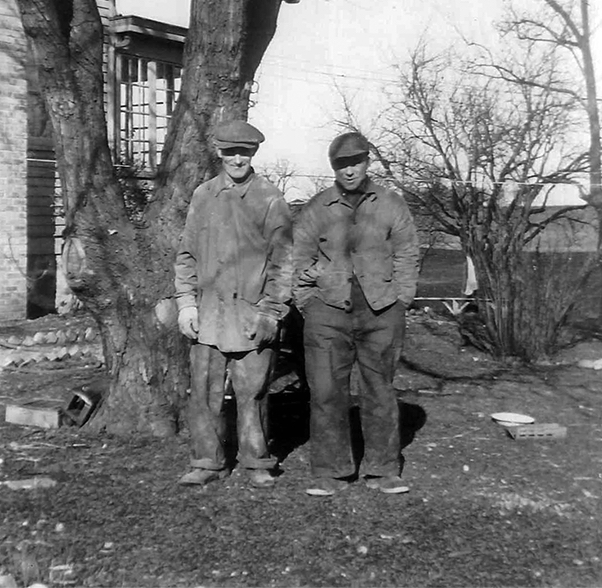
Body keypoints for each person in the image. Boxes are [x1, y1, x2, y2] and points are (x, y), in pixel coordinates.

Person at [292, 131, 420, 496]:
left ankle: (383, 470)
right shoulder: (317, 208)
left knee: (379, 390)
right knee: (327, 392)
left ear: (368, 162)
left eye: (356, 162)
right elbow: (297, 257)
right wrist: (308, 302)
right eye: (341, 164)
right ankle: (331, 472)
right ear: (333, 167)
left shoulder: (391, 204)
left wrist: (401, 300)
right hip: (328, 313)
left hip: (381, 312)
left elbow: (408, 253)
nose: (349, 170)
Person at [175, 119, 293, 488]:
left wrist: (271, 312)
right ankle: (207, 462)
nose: (236, 159)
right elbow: (186, 254)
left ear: (253, 153)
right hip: (208, 314)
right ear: (219, 152)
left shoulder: (270, 198)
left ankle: (256, 461)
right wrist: (185, 304)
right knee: (205, 392)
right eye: (229, 151)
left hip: (251, 315)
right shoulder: (202, 195)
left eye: (243, 152)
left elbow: (283, 262)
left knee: (252, 391)